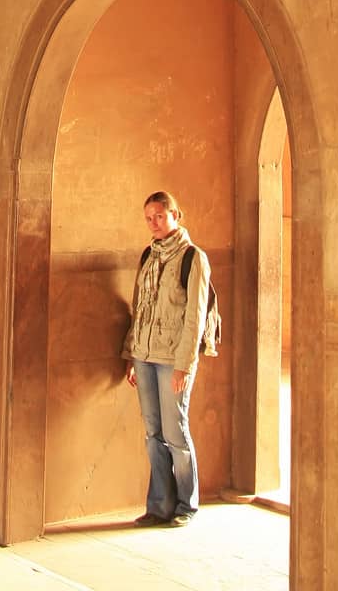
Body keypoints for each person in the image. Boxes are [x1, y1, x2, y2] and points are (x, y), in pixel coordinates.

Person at [122, 189, 210, 527]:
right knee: (152, 433)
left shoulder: (193, 258)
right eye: (148, 218)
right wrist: (131, 354)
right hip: (144, 356)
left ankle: (186, 505)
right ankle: (159, 505)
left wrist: (185, 365)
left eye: (159, 216)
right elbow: (138, 308)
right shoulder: (148, 255)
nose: (154, 223)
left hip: (172, 359)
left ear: (175, 215)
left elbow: (195, 317)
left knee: (176, 433)